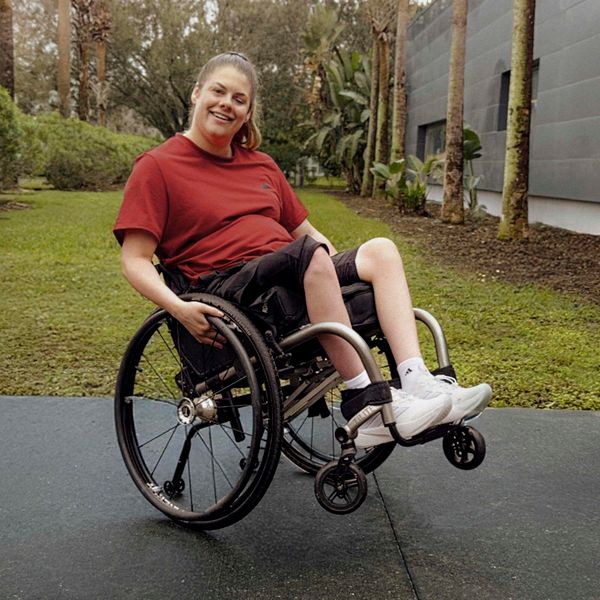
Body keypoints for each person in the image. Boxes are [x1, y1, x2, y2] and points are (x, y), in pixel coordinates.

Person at [114, 52, 491, 448]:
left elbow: (307, 232)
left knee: (381, 251)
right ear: (196, 94)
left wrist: (340, 273)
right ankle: (363, 401)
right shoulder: (157, 166)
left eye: (239, 99)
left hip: (291, 269)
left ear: (248, 112)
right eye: (218, 92)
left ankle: (418, 381)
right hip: (230, 288)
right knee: (309, 254)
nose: (227, 104)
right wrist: (178, 308)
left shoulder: (261, 165)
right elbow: (134, 260)